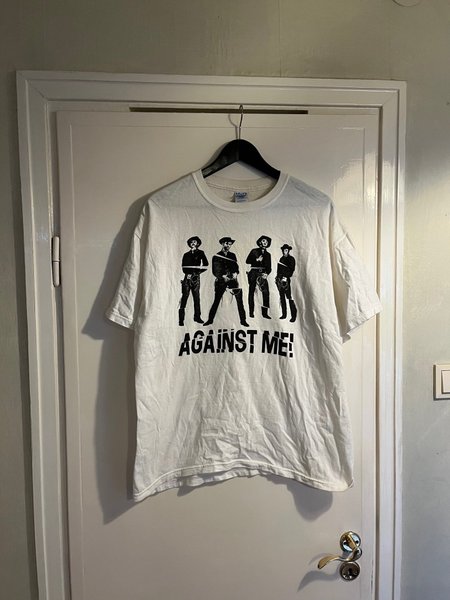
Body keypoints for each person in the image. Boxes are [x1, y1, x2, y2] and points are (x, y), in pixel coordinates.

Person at [203, 237, 249, 327]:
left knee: (240, 301)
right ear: (222, 244)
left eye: (230, 244)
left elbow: (236, 267)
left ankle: (243, 321)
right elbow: (215, 271)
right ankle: (210, 320)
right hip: (221, 282)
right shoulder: (216, 256)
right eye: (226, 243)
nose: (228, 245)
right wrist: (222, 276)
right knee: (216, 301)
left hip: (233, 281)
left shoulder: (233, 255)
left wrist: (236, 273)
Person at [178, 236, 208, 326]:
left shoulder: (201, 253)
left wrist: (197, 273)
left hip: (196, 279)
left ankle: (197, 317)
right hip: (187, 278)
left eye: (194, 242)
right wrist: (188, 273)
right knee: (184, 297)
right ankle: (181, 320)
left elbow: (206, 265)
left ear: (198, 243)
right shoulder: (186, 254)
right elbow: (183, 267)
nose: (193, 243)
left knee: (196, 298)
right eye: (191, 242)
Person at [246, 235, 272, 319]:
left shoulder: (268, 254)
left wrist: (266, 274)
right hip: (253, 273)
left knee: (266, 292)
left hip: (263, 274)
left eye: (266, 242)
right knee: (251, 292)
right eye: (263, 241)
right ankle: (251, 312)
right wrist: (256, 260)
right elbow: (247, 261)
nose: (265, 243)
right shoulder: (254, 251)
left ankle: (265, 314)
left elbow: (269, 267)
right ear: (260, 242)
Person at [275, 244, 297, 322]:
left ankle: (293, 316)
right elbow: (279, 270)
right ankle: (284, 314)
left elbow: (291, 270)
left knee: (289, 297)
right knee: (282, 297)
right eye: (284, 250)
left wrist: (285, 277)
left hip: (287, 280)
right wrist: (277, 278)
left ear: (288, 251)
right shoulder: (281, 259)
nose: (285, 251)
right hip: (280, 280)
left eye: (286, 250)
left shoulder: (291, 259)